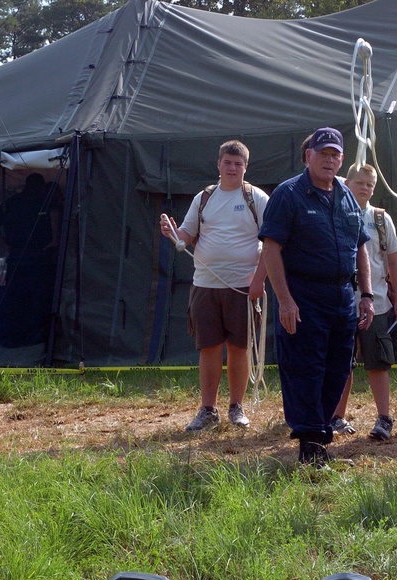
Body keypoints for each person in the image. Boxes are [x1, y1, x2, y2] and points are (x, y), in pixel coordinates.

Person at [259, 127, 375, 467]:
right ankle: (310, 444)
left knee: (338, 368)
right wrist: (285, 299)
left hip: (342, 295)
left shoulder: (346, 194)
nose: (329, 159)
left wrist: (366, 294)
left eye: (335, 154)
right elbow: (271, 249)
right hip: (304, 294)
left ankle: (320, 436)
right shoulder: (289, 194)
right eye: (323, 153)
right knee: (305, 368)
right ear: (308, 156)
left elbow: (361, 246)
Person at [159, 140, 269, 432]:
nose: (232, 168)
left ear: (246, 167)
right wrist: (172, 232)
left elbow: (272, 242)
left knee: (239, 347)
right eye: (227, 162)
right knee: (208, 347)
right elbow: (186, 235)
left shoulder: (256, 198)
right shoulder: (204, 197)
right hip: (205, 285)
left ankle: (237, 407)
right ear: (219, 164)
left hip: (243, 288)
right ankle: (207, 410)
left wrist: (259, 280)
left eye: (238, 164)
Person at [330, 164, 397, 440]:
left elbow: (395, 260)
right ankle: (336, 417)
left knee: (378, 361)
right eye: (359, 183)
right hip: (340, 303)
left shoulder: (380, 219)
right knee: (341, 362)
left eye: (370, 185)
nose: (364, 188)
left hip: (376, 303)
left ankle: (384, 418)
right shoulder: (334, 212)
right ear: (346, 182)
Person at [0, 172, 63, 347]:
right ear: (41, 186)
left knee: (15, 302)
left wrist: (5, 246)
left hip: (16, 257)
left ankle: (16, 344)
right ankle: (39, 344)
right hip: (40, 258)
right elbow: (56, 214)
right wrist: (55, 241)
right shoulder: (45, 201)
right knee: (40, 302)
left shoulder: (12, 203)